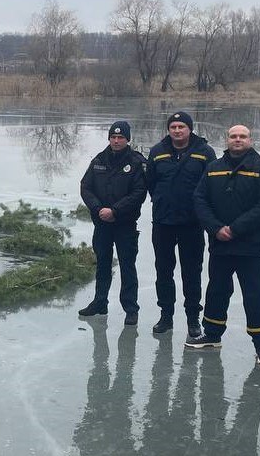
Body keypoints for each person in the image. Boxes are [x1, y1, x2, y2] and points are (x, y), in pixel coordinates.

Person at [186, 124, 260, 366]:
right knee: (217, 290)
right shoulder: (214, 168)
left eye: (242, 137)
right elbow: (199, 199)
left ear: (251, 140)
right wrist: (216, 228)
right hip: (220, 245)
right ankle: (212, 335)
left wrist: (235, 228)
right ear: (227, 140)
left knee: (255, 295)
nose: (237, 140)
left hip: (252, 248)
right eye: (233, 136)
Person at [145, 111, 216, 337]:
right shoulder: (157, 152)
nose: (177, 130)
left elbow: (211, 186)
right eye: (173, 126)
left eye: (181, 127)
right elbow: (151, 183)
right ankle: (166, 316)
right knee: (163, 271)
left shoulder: (204, 152)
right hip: (163, 223)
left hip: (192, 224)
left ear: (189, 129)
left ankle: (193, 319)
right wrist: (162, 201)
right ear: (169, 129)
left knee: (191, 273)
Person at [78, 120, 148, 325]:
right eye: (113, 137)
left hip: (124, 224)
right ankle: (100, 302)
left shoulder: (136, 162)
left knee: (128, 266)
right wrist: (98, 209)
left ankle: (131, 309)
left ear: (128, 139)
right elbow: (85, 187)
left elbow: (139, 193)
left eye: (121, 137)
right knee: (102, 264)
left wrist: (115, 210)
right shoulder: (99, 160)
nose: (116, 141)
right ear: (109, 138)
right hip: (102, 224)